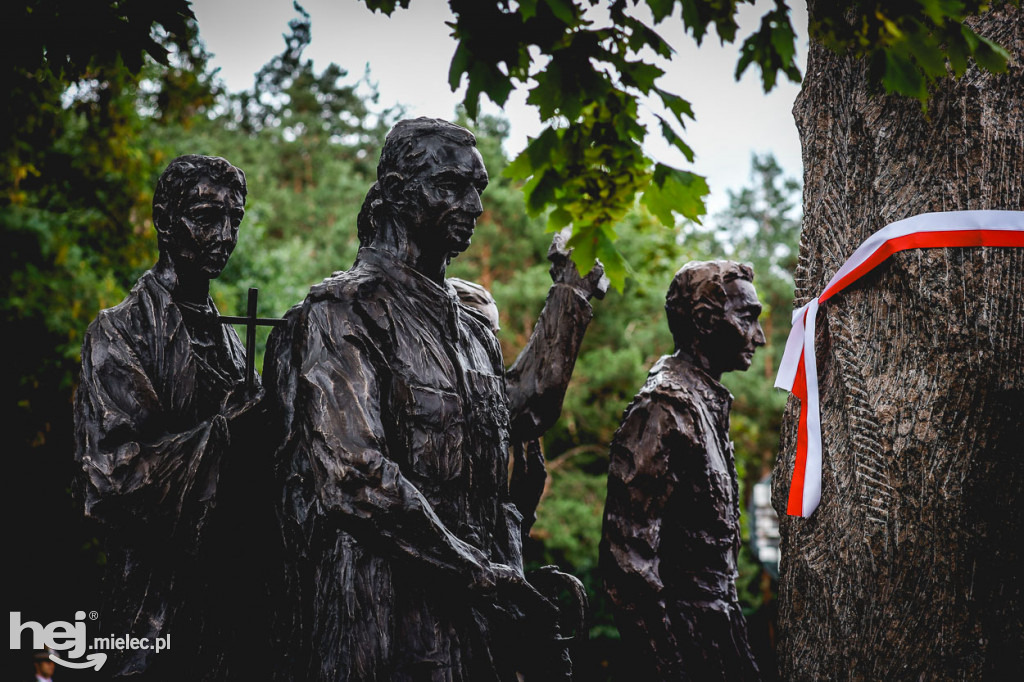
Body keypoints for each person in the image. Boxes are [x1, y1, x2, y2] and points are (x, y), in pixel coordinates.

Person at [264, 118, 571, 681]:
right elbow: (355, 478)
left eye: (477, 187)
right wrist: (473, 569)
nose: (475, 205)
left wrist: (516, 576)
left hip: (476, 630)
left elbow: (514, 429)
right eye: (453, 186)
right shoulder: (343, 310)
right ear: (402, 195)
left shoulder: (474, 331)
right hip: (383, 626)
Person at [73, 155, 261, 680]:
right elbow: (113, 477)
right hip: (150, 602)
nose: (223, 235)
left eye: (234, 220)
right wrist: (224, 435)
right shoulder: (119, 332)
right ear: (163, 218)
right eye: (205, 217)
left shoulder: (233, 342)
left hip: (230, 596)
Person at [599, 260, 766, 681]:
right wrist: (666, 667)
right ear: (706, 320)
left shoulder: (703, 405)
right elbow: (628, 563)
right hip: (684, 649)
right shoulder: (663, 410)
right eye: (748, 318)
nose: (760, 337)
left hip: (720, 639)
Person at [449, 228, 608, 538]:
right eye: (482, 334)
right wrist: (570, 290)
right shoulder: (450, 391)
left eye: (493, 336)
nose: (490, 346)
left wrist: (521, 507)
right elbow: (526, 401)